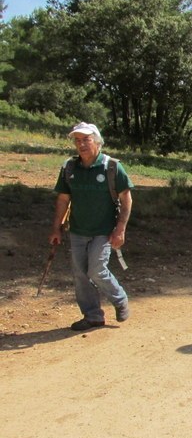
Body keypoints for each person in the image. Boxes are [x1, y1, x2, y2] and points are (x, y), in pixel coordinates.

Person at [49, 122, 134, 331]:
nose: (81, 144)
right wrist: (56, 228)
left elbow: (126, 199)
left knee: (96, 270)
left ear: (97, 142)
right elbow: (63, 199)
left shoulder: (111, 167)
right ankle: (93, 316)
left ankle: (120, 299)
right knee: (80, 274)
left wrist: (120, 229)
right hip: (77, 230)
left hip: (103, 231)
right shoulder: (69, 167)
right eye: (77, 140)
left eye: (86, 139)